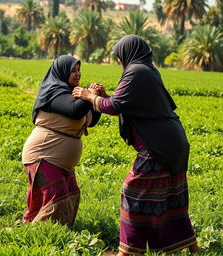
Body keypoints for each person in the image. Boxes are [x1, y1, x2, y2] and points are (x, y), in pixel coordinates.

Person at [72, 35, 200, 255]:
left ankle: (128, 251)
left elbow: (114, 107)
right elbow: (126, 104)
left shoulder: (136, 71)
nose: (119, 61)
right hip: (172, 142)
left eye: (119, 56)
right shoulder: (146, 69)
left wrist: (89, 96)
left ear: (128, 52)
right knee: (172, 197)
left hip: (157, 146)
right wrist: (104, 96)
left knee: (131, 192)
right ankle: (192, 248)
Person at [22, 55, 101, 227]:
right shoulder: (54, 92)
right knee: (54, 198)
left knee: (67, 196)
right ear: (62, 71)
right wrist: (89, 96)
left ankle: (52, 234)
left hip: (60, 161)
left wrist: (95, 98)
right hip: (44, 155)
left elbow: (91, 120)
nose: (78, 73)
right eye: (73, 70)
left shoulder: (74, 93)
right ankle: (38, 237)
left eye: (79, 70)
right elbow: (75, 111)